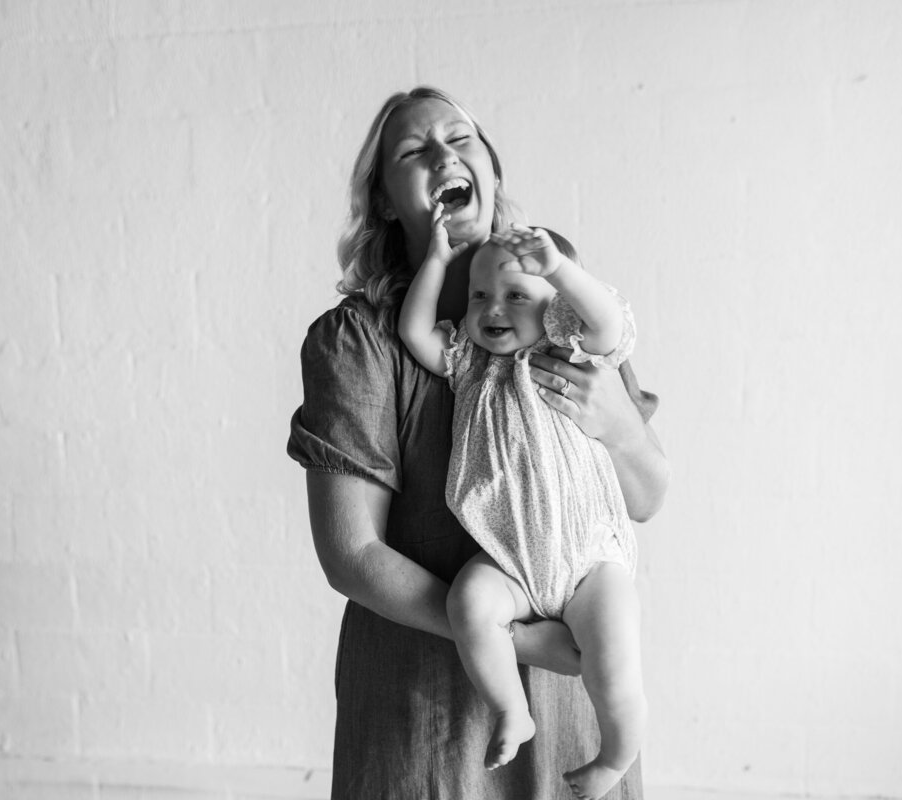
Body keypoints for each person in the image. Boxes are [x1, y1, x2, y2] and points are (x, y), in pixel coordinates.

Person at [287, 86, 669, 800]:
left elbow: (646, 498)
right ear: (385, 203)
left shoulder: (567, 317)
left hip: (574, 702)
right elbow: (352, 554)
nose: (442, 155)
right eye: (412, 151)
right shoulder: (361, 341)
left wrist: (617, 420)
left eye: (460, 139)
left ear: (490, 172)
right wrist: (524, 641)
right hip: (427, 708)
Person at [398, 214, 644, 798]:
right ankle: (510, 707)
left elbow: (608, 323)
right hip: (509, 557)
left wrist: (558, 270)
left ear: (555, 306)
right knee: (469, 601)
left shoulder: (567, 350)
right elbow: (414, 332)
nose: (492, 308)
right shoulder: (468, 364)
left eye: (515, 294)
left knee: (612, 659)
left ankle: (615, 754)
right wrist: (437, 261)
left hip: (588, 557)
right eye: (480, 295)